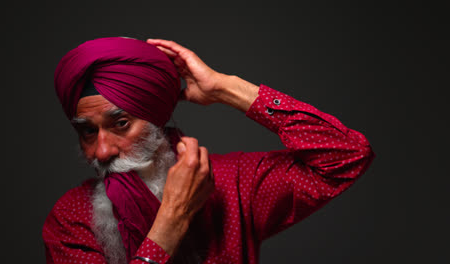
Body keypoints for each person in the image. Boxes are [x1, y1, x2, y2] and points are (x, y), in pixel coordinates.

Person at [43, 37, 375, 264]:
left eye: (121, 124)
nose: (101, 152)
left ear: (157, 118)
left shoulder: (235, 184)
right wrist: (171, 221)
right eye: (88, 131)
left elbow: (346, 155)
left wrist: (226, 88)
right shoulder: (72, 217)